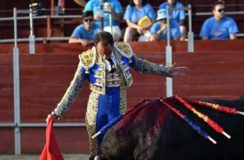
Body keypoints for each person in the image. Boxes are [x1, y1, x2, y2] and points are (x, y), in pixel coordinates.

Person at [46, 31, 188, 160]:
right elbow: (74, 87)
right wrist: (57, 112)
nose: (105, 56)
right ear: (95, 47)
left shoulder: (123, 52)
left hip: (118, 106)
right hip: (96, 108)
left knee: (118, 149)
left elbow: (142, 66)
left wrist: (166, 71)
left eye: (107, 53)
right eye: (101, 53)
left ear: (113, 46)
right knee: (97, 152)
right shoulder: (88, 59)